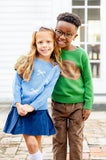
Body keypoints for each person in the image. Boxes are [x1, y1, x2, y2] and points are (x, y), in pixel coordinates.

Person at [3, 26, 62, 160]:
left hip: (38, 109)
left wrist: (32, 106)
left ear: (54, 44)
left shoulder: (55, 67)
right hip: (21, 108)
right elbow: (17, 84)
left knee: (37, 141)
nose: (44, 45)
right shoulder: (26, 60)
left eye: (48, 42)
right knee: (30, 141)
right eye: (40, 42)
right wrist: (18, 104)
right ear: (35, 43)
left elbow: (47, 92)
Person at [51, 12, 93, 160]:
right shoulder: (50, 51)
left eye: (68, 34)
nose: (62, 37)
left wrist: (88, 104)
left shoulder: (80, 54)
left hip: (78, 106)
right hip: (57, 105)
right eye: (59, 32)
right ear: (54, 30)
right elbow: (31, 57)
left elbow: (88, 81)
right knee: (58, 140)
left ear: (75, 36)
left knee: (76, 140)